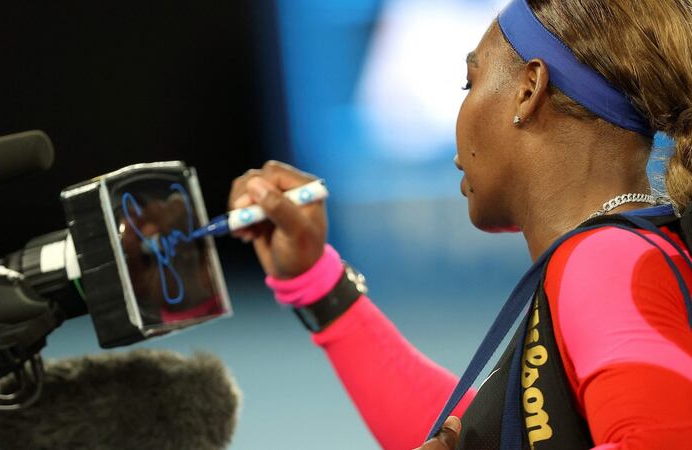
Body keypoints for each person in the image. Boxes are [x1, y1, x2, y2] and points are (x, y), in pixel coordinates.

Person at [229, 0, 692, 449]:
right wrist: (317, 283)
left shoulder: (603, 262)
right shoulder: (617, 252)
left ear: (529, 90)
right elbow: (477, 436)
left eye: (469, 83)